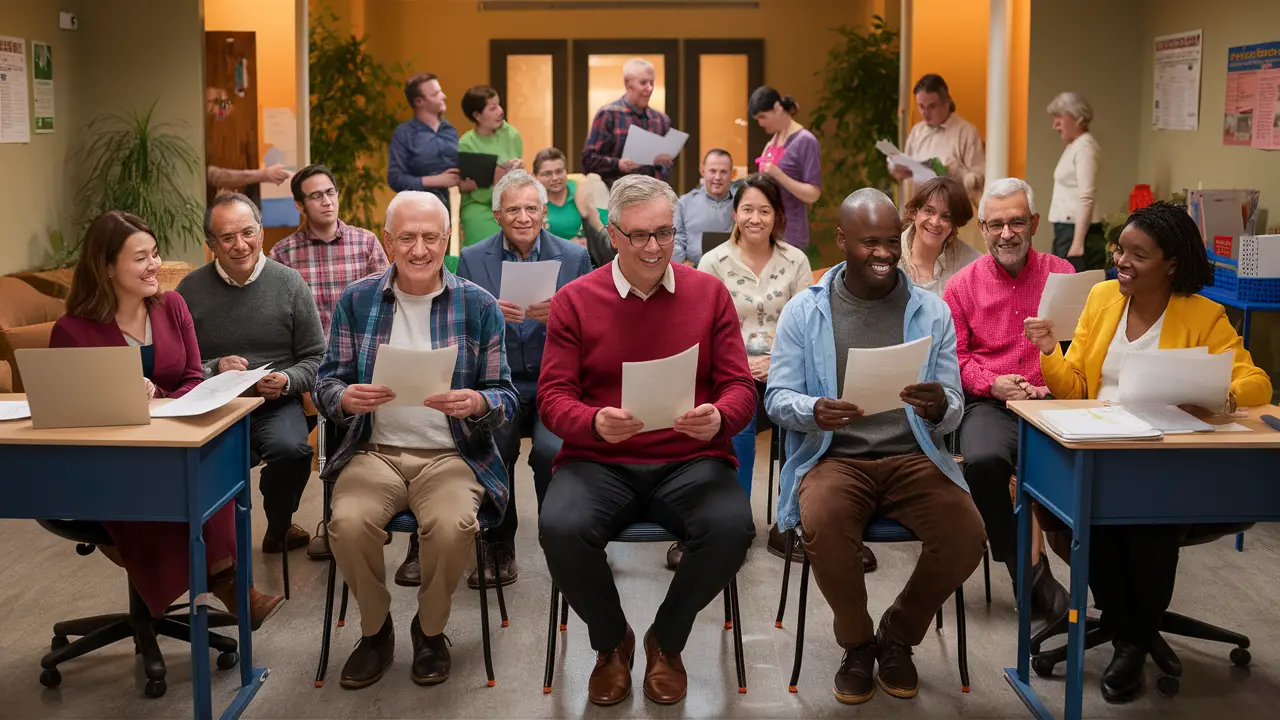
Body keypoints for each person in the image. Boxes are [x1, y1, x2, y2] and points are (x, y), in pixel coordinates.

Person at [1024, 201, 1272, 703]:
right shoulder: (1101, 299)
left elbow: (1257, 382)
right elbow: (1074, 390)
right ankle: (1129, 628)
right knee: (1083, 514)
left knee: (1149, 519)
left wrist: (1219, 395)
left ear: (1171, 263)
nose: (1122, 261)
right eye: (1121, 249)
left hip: (1168, 459)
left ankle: (1130, 640)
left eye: (1138, 254)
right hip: (1101, 446)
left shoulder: (1203, 314)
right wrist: (1051, 350)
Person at [537, 175, 756, 706]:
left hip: (690, 459)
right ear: (613, 235)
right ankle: (613, 642)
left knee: (733, 528)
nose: (654, 247)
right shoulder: (575, 301)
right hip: (600, 459)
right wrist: (592, 422)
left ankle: (667, 640)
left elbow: (741, 387)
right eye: (639, 236)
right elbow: (552, 396)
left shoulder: (707, 294)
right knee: (559, 527)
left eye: (665, 232)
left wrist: (719, 416)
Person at [765, 189, 986, 705]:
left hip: (913, 456)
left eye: (891, 241)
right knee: (821, 520)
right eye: (870, 243)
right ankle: (858, 644)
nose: (884, 252)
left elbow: (954, 401)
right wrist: (814, 410)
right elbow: (777, 398)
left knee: (967, 534)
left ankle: (899, 634)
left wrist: (940, 406)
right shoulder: (806, 311)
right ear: (843, 241)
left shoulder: (931, 311)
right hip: (835, 458)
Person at [313, 190, 519, 690]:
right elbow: (324, 383)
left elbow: (507, 395)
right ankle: (376, 629)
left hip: (452, 455)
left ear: (448, 240)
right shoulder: (357, 300)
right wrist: (344, 399)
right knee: (346, 522)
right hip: (374, 453)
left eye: (431, 237)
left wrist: (477, 403)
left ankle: (429, 632)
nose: (419, 249)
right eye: (407, 237)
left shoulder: (478, 304)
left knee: (452, 527)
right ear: (388, 241)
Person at [50, 210, 284, 628]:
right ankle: (229, 584)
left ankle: (224, 580)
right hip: (110, 459)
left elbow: (195, 378)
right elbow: (67, 410)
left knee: (211, 473)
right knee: (162, 485)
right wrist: (120, 399)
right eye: (140, 258)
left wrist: (157, 397)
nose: (154, 265)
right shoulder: (72, 330)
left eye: (155, 254)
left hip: (176, 440)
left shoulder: (173, 305)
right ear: (106, 267)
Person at [691, 173, 841, 570]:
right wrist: (742, 364)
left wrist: (776, 363)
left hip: (786, 369)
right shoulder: (713, 262)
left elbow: (807, 328)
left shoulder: (795, 260)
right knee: (735, 421)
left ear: (777, 216)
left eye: (765, 210)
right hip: (731, 369)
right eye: (747, 210)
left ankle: (790, 522)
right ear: (735, 214)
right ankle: (735, 524)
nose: (755, 218)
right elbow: (704, 327)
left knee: (805, 421)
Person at [942, 178, 1072, 619]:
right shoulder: (960, 287)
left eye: (1017, 222)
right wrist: (991, 383)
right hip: (990, 403)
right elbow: (953, 359)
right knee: (982, 460)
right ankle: (1028, 571)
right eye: (995, 225)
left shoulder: (1064, 275)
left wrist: (1052, 376)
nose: (1006, 234)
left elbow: (1082, 348)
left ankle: (1115, 589)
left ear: (1034, 222)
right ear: (982, 228)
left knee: (1090, 465)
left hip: (1055, 402)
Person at [457, 170, 593, 589]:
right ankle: (499, 542)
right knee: (495, 444)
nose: (522, 217)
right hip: (500, 383)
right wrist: (487, 314)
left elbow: (595, 325)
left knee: (551, 451)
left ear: (544, 211)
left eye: (531, 208)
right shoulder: (472, 257)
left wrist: (564, 315)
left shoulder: (573, 257)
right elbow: (458, 328)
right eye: (512, 209)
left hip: (556, 381)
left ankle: (559, 538)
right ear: (497, 214)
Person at [177, 193, 326, 554]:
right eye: (227, 237)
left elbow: (316, 356)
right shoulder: (189, 291)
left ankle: (279, 526)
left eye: (248, 233)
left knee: (293, 452)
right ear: (211, 244)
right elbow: (179, 362)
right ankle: (215, 549)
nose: (240, 245)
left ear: (261, 232)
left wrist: (287, 380)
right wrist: (216, 367)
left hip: (274, 402)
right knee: (201, 462)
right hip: (215, 407)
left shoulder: (290, 284)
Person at [268, 164, 390, 561]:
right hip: (308, 366)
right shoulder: (284, 254)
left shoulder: (366, 243)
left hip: (363, 361)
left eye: (331, 192)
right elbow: (276, 318)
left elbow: (387, 303)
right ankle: (333, 519)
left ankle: (356, 516)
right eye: (316, 195)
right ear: (301, 204)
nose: (327, 200)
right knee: (313, 436)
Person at [892, 74, 985, 248]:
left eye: (932, 106)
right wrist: (899, 170)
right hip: (920, 217)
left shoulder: (966, 132)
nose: (925, 113)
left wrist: (955, 172)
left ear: (947, 102)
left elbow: (979, 180)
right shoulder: (917, 131)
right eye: (921, 106)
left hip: (955, 221)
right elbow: (908, 173)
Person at [749, 86, 822, 251]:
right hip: (766, 232)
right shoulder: (772, 142)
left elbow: (813, 193)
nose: (760, 123)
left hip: (791, 236)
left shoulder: (805, 141)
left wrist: (778, 175)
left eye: (763, 117)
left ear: (777, 108)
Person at [581, 58, 674, 188]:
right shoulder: (608, 114)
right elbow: (588, 160)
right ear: (628, 83)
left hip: (652, 195)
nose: (650, 88)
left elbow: (666, 170)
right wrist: (618, 164)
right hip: (616, 194)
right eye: (643, 83)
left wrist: (663, 163)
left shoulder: (661, 120)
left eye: (652, 82)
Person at [456, 85, 524, 246]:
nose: (500, 111)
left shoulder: (511, 134)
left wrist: (519, 167)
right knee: (483, 250)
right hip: (478, 204)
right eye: (493, 108)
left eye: (499, 105)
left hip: (510, 202)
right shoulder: (466, 143)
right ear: (477, 115)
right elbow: (464, 184)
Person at [1047, 91, 1106, 271]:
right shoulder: (1074, 146)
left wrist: (1077, 245)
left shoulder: (1085, 147)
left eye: (1059, 118)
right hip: (1066, 231)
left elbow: (1086, 196)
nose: (1055, 125)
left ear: (1078, 118)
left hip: (1077, 234)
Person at [899, 176, 980, 297]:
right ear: (915, 212)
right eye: (929, 211)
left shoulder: (971, 265)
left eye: (945, 217)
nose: (935, 222)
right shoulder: (891, 254)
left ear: (954, 225)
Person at [388, 73, 460, 208]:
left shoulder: (450, 130)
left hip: (446, 209)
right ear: (419, 102)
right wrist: (435, 181)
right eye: (435, 94)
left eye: (441, 91)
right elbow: (395, 179)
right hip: (414, 208)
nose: (444, 96)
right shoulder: (404, 133)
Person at [673, 148, 736, 266]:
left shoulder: (741, 203)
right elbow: (676, 240)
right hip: (694, 271)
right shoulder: (684, 203)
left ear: (732, 174)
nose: (717, 177)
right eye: (712, 171)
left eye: (723, 172)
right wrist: (682, 265)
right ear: (702, 171)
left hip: (734, 271)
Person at [534, 147, 608, 244]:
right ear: (535, 177)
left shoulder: (580, 192)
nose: (555, 178)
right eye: (547, 174)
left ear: (566, 172)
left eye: (559, 171)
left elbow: (607, 227)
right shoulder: (532, 201)